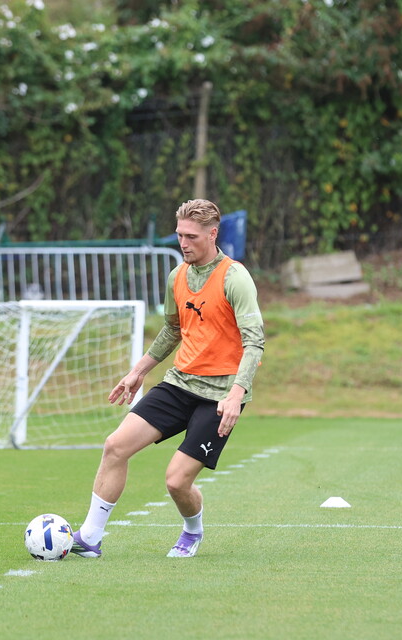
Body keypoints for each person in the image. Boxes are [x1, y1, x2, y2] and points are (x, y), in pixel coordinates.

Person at [70, 199, 265, 559]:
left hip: (220, 394)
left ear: (212, 233)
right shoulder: (177, 276)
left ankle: (193, 531)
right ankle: (90, 538)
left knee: (176, 481)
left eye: (191, 236)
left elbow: (255, 341)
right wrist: (138, 371)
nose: (183, 243)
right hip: (179, 383)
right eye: (179, 235)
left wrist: (237, 393)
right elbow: (173, 330)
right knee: (115, 446)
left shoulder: (235, 277)